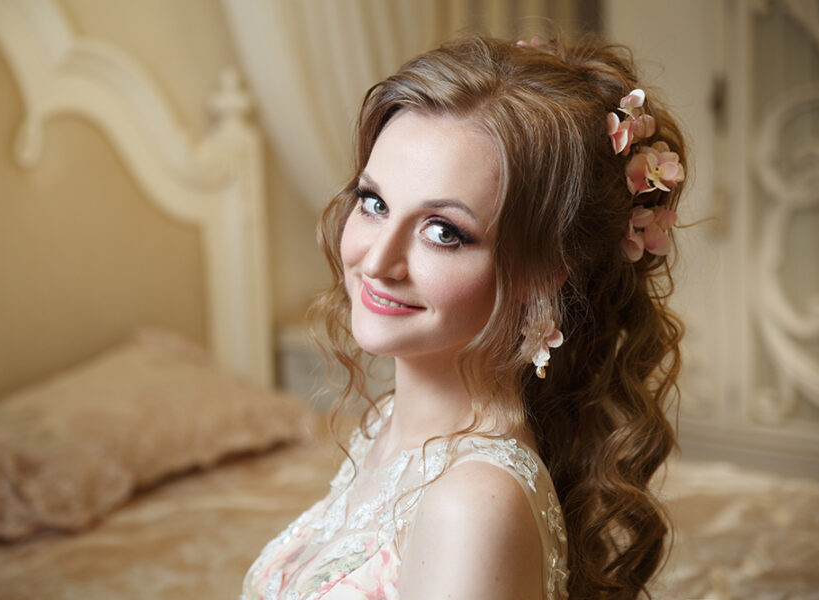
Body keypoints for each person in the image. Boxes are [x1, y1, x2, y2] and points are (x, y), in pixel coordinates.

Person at [242, 33, 686, 600]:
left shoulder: (472, 505)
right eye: (374, 203)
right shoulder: (391, 422)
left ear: (546, 271)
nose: (376, 262)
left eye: (443, 232)